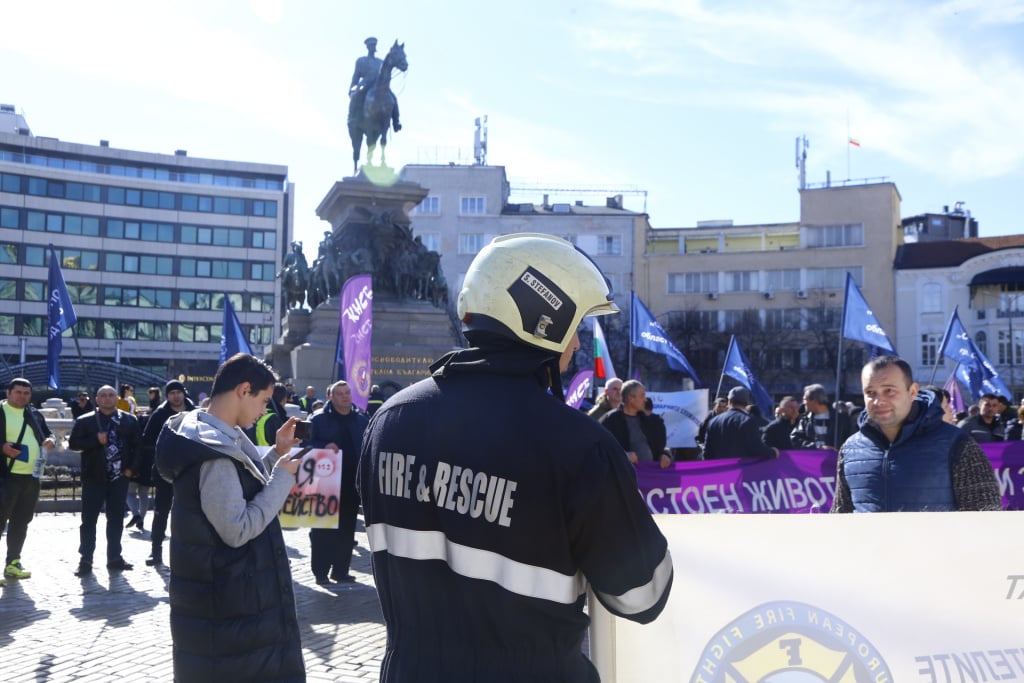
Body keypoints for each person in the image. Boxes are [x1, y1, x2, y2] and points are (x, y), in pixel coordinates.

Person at [358, 234, 672, 681]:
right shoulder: (579, 445)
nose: (578, 346)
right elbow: (641, 595)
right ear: (545, 321)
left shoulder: (388, 419)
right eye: (576, 328)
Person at [155, 353, 305, 681]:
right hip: (230, 611)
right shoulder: (214, 453)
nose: (266, 409)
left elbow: (241, 486)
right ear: (244, 390)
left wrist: (277, 454)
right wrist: (283, 477)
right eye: (264, 400)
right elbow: (236, 528)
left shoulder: (209, 433)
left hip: (224, 607)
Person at [832, 356, 1001, 512]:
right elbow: (840, 520)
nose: (879, 401)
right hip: (870, 546)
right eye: (870, 392)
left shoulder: (957, 444)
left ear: (912, 391)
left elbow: (986, 518)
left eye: (889, 390)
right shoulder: (851, 449)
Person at [68, 385, 142, 576]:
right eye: (103, 396)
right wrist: (95, 440)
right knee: (88, 521)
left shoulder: (129, 420)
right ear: (97, 399)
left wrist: (130, 470)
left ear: (117, 398)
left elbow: (138, 447)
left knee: (116, 519)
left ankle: (115, 557)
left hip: (119, 478)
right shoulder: (86, 421)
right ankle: (85, 560)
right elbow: (74, 444)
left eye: (111, 395)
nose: (107, 399)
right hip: (94, 477)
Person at [304, 380, 368, 585]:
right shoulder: (317, 418)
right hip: (325, 483)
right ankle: (320, 572)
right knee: (322, 529)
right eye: (340, 393)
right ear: (331, 397)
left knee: (347, 529)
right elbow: (303, 444)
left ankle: (341, 570)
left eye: (347, 393)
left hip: (351, 483)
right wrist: (322, 446)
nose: (345, 397)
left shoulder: (361, 419)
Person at [0, 378, 56, 585]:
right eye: (18, 392)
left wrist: (52, 440)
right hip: (5, 476)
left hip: (31, 477)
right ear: (8, 393)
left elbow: (48, 433)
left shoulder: (33, 413)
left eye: (26, 393)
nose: (22, 396)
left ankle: (13, 563)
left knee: (21, 522)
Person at [141, 379, 194, 566]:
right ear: (167, 395)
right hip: (165, 470)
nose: (176, 396)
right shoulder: (160, 415)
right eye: (172, 393)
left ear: (183, 393)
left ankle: (189, 554)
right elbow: (147, 440)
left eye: (178, 392)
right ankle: (156, 551)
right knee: (161, 512)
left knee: (191, 514)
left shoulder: (194, 412)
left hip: (190, 471)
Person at [600, 380, 674, 469]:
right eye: (642, 395)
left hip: (652, 477)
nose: (645, 399)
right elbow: (601, 450)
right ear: (631, 398)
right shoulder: (610, 421)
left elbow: (663, 447)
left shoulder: (653, 421)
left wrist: (666, 455)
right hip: (624, 477)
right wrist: (623, 456)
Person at [703, 386, 778, 460]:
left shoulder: (713, 421)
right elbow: (756, 447)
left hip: (720, 470)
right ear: (747, 403)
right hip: (740, 469)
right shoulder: (748, 421)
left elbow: (707, 453)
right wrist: (772, 452)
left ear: (729, 401)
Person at [348, 36, 401, 132]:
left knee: (393, 99)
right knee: (356, 96)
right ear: (367, 47)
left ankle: (396, 122)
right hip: (366, 84)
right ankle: (352, 118)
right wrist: (352, 88)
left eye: (374, 45)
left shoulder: (380, 62)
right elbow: (356, 76)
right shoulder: (361, 61)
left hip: (378, 85)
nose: (373, 47)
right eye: (371, 45)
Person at [791, 383, 854, 450]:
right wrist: (817, 447)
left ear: (814, 401)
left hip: (836, 459)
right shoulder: (805, 420)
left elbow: (851, 439)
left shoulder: (841, 419)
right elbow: (795, 439)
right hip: (813, 459)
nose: (803, 403)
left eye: (805, 399)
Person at [244, 382, 289, 447]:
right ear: (284, 399)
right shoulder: (274, 419)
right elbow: (281, 447)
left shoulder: (253, 414)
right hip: (269, 455)